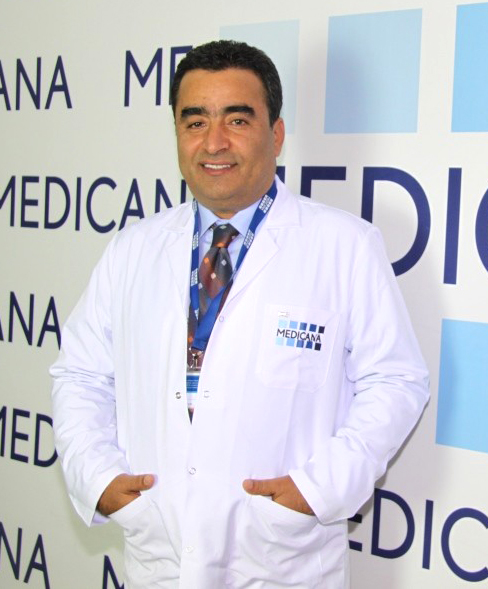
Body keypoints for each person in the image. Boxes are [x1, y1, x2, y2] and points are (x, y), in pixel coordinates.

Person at [51, 40, 429, 589]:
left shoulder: (344, 245)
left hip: (280, 558)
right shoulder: (133, 249)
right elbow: (80, 375)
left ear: (276, 134)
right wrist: (98, 477)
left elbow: (396, 380)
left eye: (237, 119)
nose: (214, 142)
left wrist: (319, 489)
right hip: (159, 552)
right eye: (195, 121)